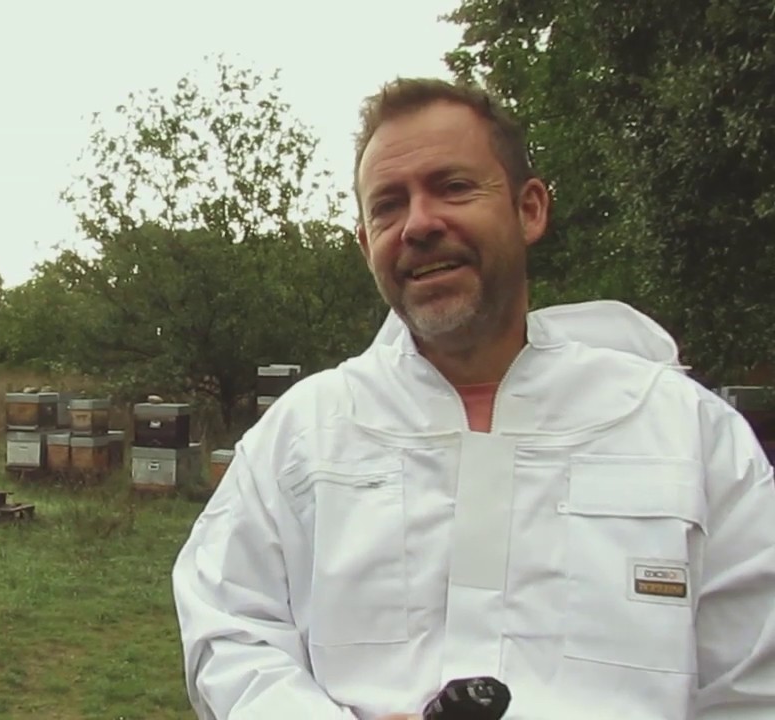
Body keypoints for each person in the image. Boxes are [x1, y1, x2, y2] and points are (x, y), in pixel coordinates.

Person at [170, 77, 775, 719]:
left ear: (530, 209)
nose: (419, 225)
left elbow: (754, 684)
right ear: (365, 243)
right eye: (388, 206)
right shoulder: (301, 434)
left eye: (454, 187)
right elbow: (230, 629)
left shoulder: (688, 432)